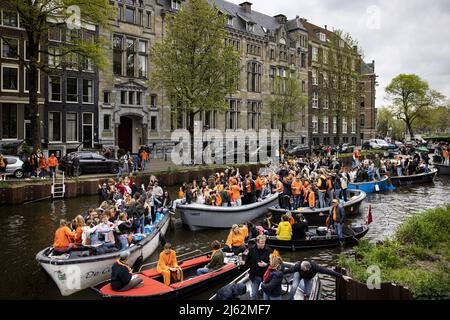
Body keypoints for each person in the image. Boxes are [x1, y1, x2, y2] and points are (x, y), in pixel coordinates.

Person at [284, 260, 352, 300]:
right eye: (300, 268)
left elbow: (328, 271)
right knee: (294, 287)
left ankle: (305, 297)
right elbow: (289, 270)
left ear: (308, 269)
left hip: (308, 278)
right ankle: (290, 299)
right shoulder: (298, 267)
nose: (301, 269)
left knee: (307, 292)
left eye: (302, 269)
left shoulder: (315, 267)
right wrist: (279, 273)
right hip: (298, 275)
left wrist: (342, 276)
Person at [244, 235, 273, 300]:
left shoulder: (269, 250)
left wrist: (266, 264)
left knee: (266, 296)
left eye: (264, 243)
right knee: (254, 295)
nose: (263, 244)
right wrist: (243, 261)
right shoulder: (251, 249)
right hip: (255, 276)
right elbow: (247, 259)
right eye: (261, 243)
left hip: (266, 277)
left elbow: (274, 263)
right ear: (257, 243)